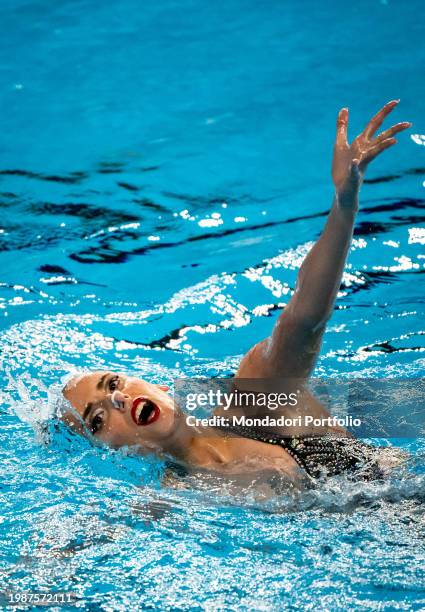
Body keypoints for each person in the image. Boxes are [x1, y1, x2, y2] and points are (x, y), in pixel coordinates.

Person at [61, 101, 411, 486]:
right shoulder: (176, 495)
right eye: (97, 421)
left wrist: (344, 204)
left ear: (158, 385)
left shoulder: (254, 402)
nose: (117, 400)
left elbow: (305, 318)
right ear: (111, 455)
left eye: (113, 383)